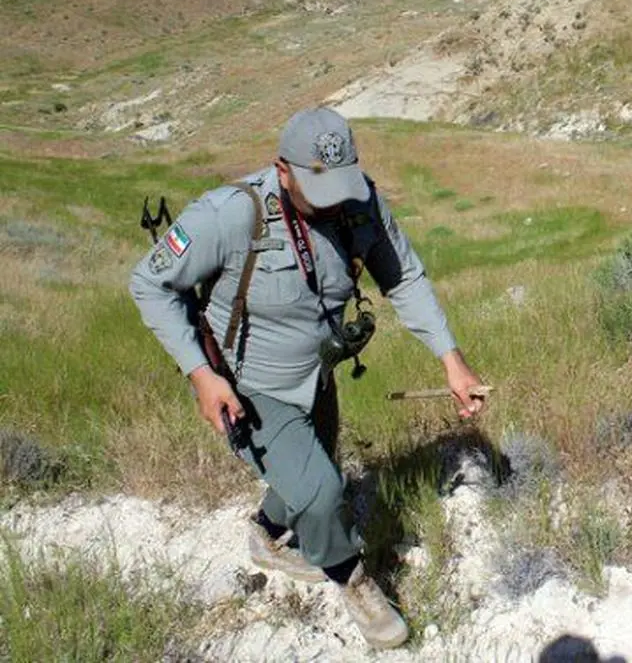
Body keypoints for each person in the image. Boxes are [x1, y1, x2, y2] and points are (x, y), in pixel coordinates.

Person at [129, 106, 485, 649]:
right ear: (284, 169)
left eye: (341, 186)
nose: (336, 201)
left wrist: (451, 360)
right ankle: (354, 582)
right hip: (249, 384)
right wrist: (201, 375)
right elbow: (149, 285)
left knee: (313, 463)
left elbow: (404, 276)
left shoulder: (360, 205)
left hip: (316, 373)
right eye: (320, 188)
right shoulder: (230, 214)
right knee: (322, 492)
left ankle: (266, 537)